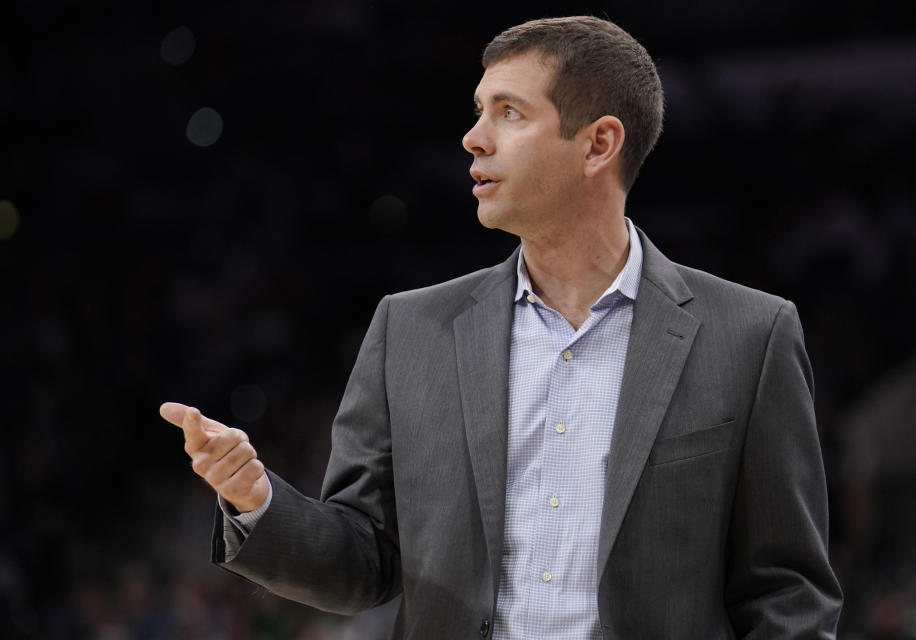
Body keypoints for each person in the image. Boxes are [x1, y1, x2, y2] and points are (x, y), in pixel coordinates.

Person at [161, 16, 843, 639]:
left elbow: (787, 596)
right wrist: (258, 501)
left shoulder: (750, 336)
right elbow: (364, 561)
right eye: (479, 111)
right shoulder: (410, 329)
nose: (474, 137)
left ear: (599, 143)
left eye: (509, 112)